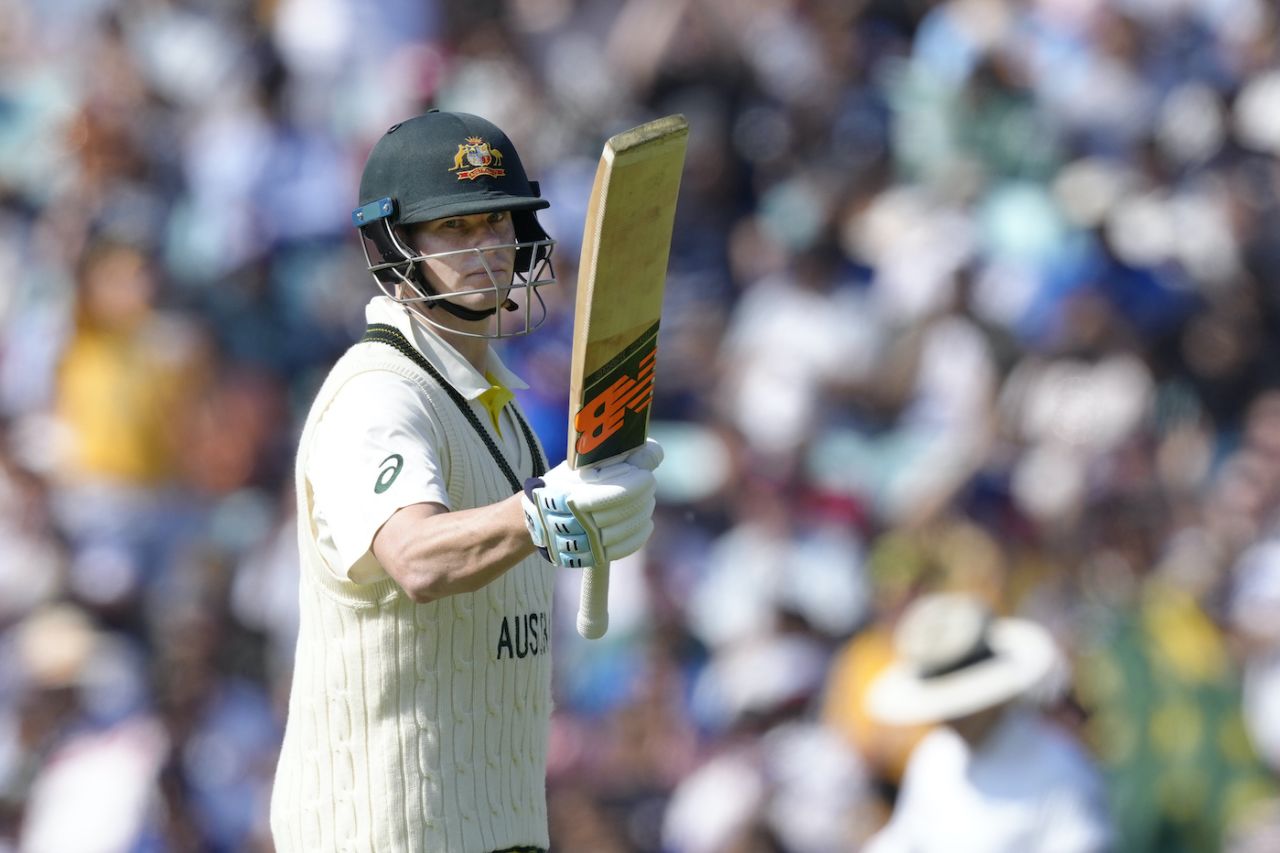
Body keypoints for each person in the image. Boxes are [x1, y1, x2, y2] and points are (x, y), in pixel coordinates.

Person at [269, 111, 662, 853]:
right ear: (395, 245)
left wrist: (594, 512)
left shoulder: (499, 408)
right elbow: (416, 557)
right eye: (453, 229)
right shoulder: (380, 396)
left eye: (499, 223)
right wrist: (542, 512)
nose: (487, 250)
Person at [862, 592, 1113, 853]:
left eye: (964, 708)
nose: (952, 719)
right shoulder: (934, 757)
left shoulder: (1061, 771)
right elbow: (905, 838)